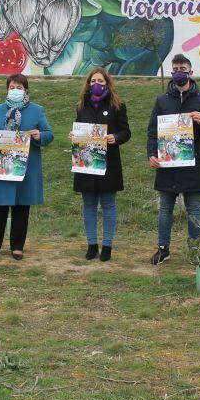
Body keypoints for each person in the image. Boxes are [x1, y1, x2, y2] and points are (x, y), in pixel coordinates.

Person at [146, 54, 200, 266]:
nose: (179, 71)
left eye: (183, 68)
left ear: (190, 72)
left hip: (192, 166)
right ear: (171, 72)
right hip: (167, 165)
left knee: (194, 210)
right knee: (165, 209)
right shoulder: (162, 100)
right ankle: (163, 249)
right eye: (175, 68)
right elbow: (153, 131)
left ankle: (195, 250)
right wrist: (152, 154)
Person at [0, 74, 54, 261]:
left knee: (22, 208)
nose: (15, 90)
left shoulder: (37, 111)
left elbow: (49, 134)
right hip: (3, 167)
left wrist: (39, 136)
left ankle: (17, 247)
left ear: (26, 90)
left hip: (25, 168)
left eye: (19, 88)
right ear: (7, 89)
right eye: (12, 87)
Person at [71, 68, 131, 261]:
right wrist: (74, 135)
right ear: (88, 83)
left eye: (101, 80)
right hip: (86, 163)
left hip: (109, 163)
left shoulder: (118, 105)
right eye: (93, 80)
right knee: (88, 204)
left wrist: (116, 137)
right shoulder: (81, 105)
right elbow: (78, 126)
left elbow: (126, 132)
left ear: (107, 83)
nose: (97, 84)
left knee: (108, 204)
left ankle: (107, 246)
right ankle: (91, 245)